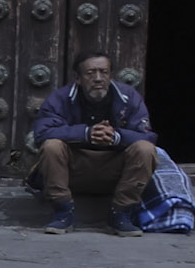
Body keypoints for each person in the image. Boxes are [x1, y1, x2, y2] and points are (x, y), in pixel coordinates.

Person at [31, 49, 159, 234]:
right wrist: (86, 133)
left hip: (115, 172)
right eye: (91, 73)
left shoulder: (129, 97)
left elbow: (147, 135)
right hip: (74, 172)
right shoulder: (59, 98)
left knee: (145, 149)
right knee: (51, 145)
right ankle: (63, 213)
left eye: (104, 72)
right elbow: (42, 133)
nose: (98, 78)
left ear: (111, 76)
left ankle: (120, 213)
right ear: (78, 78)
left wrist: (116, 137)